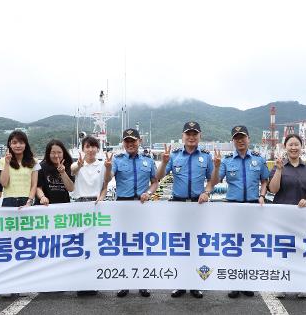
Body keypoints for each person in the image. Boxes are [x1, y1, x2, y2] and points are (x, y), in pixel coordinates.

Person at [155, 121, 214, 299]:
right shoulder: (174, 156)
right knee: (179, 245)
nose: (191, 137)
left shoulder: (206, 156)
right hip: (178, 205)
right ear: (183, 136)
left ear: (199, 136)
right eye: (188, 133)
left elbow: (212, 181)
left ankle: (196, 283)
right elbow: (157, 178)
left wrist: (206, 192)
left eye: (194, 133)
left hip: (198, 205)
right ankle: (180, 282)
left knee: (196, 245)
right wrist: (163, 163)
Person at [210, 125, 269, 299]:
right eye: (236, 138)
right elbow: (214, 182)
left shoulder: (259, 159)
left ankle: (247, 282)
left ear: (249, 139)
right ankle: (234, 283)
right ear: (233, 141)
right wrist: (216, 166)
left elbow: (264, 181)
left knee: (250, 246)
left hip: (252, 207)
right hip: (233, 208)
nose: (240, 140)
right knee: (234, 247)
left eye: (242, 137)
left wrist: (262, 195)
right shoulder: (227, 160)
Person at [267, 133, 306, 299]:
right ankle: (281, 284)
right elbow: (273, 189)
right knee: (282, 251)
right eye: (290, 144)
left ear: (301, 147)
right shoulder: (279, 166)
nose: (294, 147)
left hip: (302, 217)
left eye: (297, 144)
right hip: (281, 217)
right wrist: (280, 170)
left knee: (300, 251)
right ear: (285, 147)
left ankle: (301, 285)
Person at [110, 128, 159, 298]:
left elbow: (154, 182)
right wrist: (107, 168)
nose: (130, 144)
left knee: (142, 245)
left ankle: (142, 283)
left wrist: (149, 193)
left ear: (139, 141)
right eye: (127, 141)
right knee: (124, 245)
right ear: (123, 143)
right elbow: (108, 178)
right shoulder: (117, 160)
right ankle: (124, 282)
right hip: (123, 205)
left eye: (133, 141)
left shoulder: (148, 160)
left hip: (142, 205)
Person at [70, 135, 111, 297]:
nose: (91, 149)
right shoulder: (76, 164)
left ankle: (93, 281)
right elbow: (73, 171)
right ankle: (81, 281)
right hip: (80, 205)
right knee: (81, 244)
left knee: (94, 245)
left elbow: (105, 185)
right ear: (83, 149)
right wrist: (79, 165)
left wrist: (101, 198)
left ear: (98, 149)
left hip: (96, 205)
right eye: (87, 146)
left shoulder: (102, 165)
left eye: (94, 146)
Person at [0, 130, 40, 208]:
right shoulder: (3, 161)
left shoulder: (34, 161)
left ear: (25, 144)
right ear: (9, 144)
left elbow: (34, 185)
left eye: (21, 143)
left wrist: (29, 202)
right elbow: (4, 183)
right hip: (8, 201)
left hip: (26, 200)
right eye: (14, 143)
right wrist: (7, 163)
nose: (18, 145)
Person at [36, 139, 75, 205]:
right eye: (53, 153)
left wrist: (63, 172)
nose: (56, 155)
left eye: (59, 152)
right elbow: (38, 187)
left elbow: (71, 188)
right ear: (48, 153)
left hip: (63, 205)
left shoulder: (68, 166)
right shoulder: (41, 166)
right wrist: (42, 197)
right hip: (45, 206)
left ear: (63, 153)